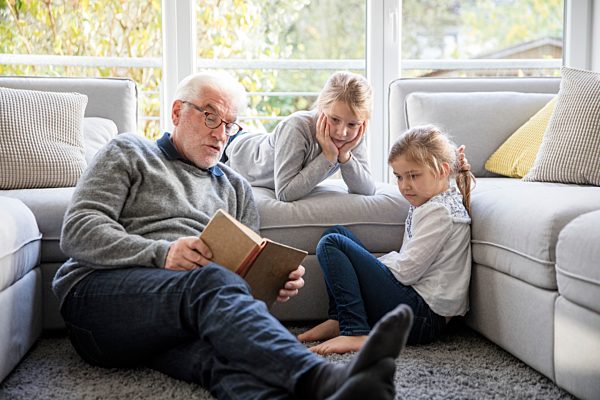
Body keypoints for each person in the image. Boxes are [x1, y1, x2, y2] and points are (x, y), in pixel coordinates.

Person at [52, 71, 416, 400]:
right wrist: (161, 254)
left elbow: (238, 298)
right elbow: (78, 231)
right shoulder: (130, 152)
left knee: (226, 360)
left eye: (229, 124)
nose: (220, 133)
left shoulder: (237, 189)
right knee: (208, 281)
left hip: (179, 320)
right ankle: (325, 379)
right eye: (210, 116)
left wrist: (272, 283)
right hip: (99, 302)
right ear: (177, 112)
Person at [298, 125, 475, 355]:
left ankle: (355, 331)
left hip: (422, 318)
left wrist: (370, 266)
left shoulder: (440, 212)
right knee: (336, 232)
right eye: (399, 177)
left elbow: (407, 271)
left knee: (333, 243)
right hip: (415, 308)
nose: (404, 186)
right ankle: (340, 319)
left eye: (413, 176)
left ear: (441, 171)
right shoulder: (429, 202)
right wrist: (366, 266)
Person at [224, 71, 377, 202]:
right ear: (320, 108)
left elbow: (367, 189)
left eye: (352, 124)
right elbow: (285, 193)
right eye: (334, 120)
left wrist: (345, 156)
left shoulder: (353, 135)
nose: (341, 132)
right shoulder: (296, 127)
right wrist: (328, 157)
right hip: (230, 150)